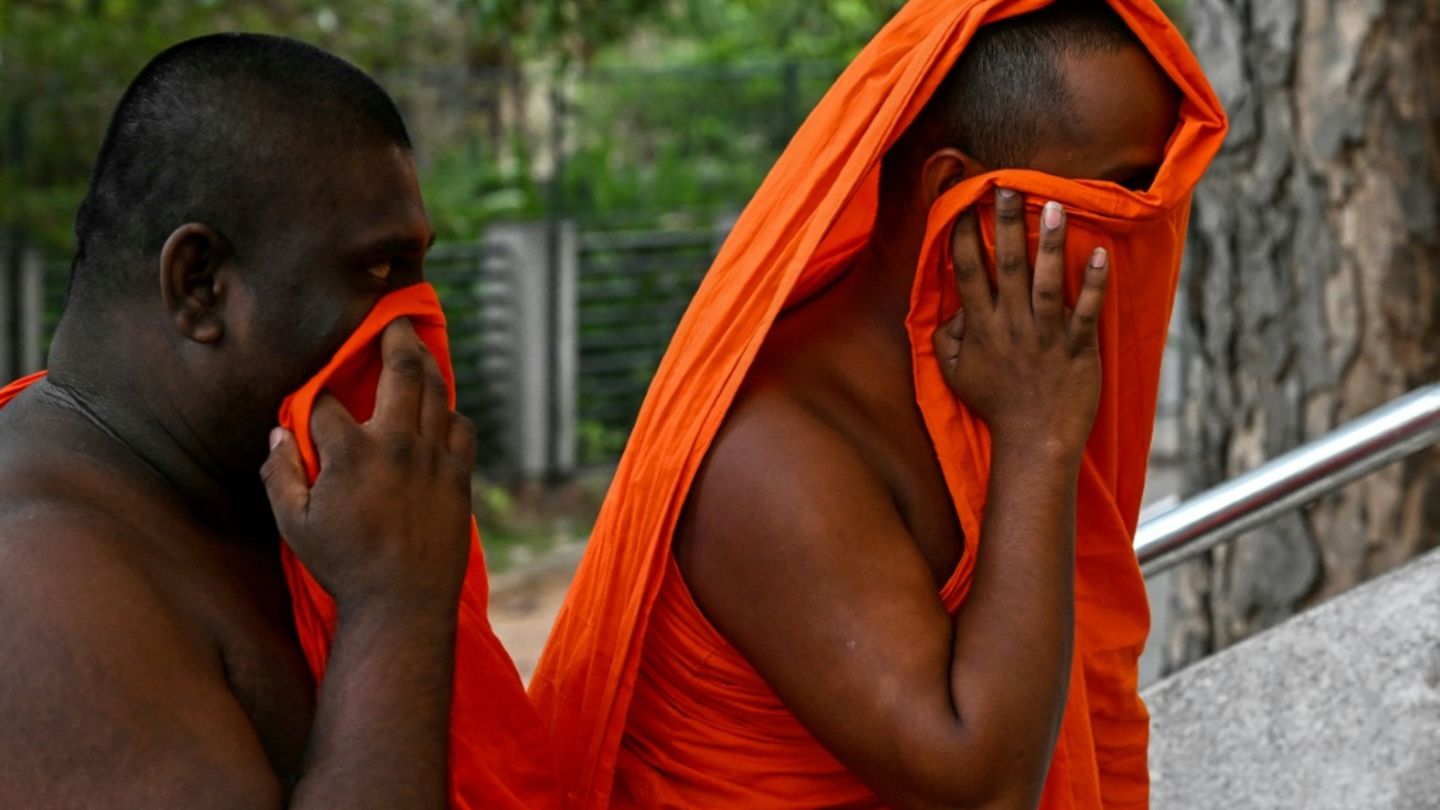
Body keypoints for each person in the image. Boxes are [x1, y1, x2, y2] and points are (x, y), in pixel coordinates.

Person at [531, 1, 1228, 807]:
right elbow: (982, 787)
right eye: (1120, 193)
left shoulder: (1001, 376)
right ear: (956, 193)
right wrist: (1038, 439)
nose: (1146, 229)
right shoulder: (775, 450)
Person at [0, 34, 557, 807]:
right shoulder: (37, 585)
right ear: (201, 286)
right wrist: (393, 605)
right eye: (377, 271)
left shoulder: (264, 496)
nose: (414, 326)